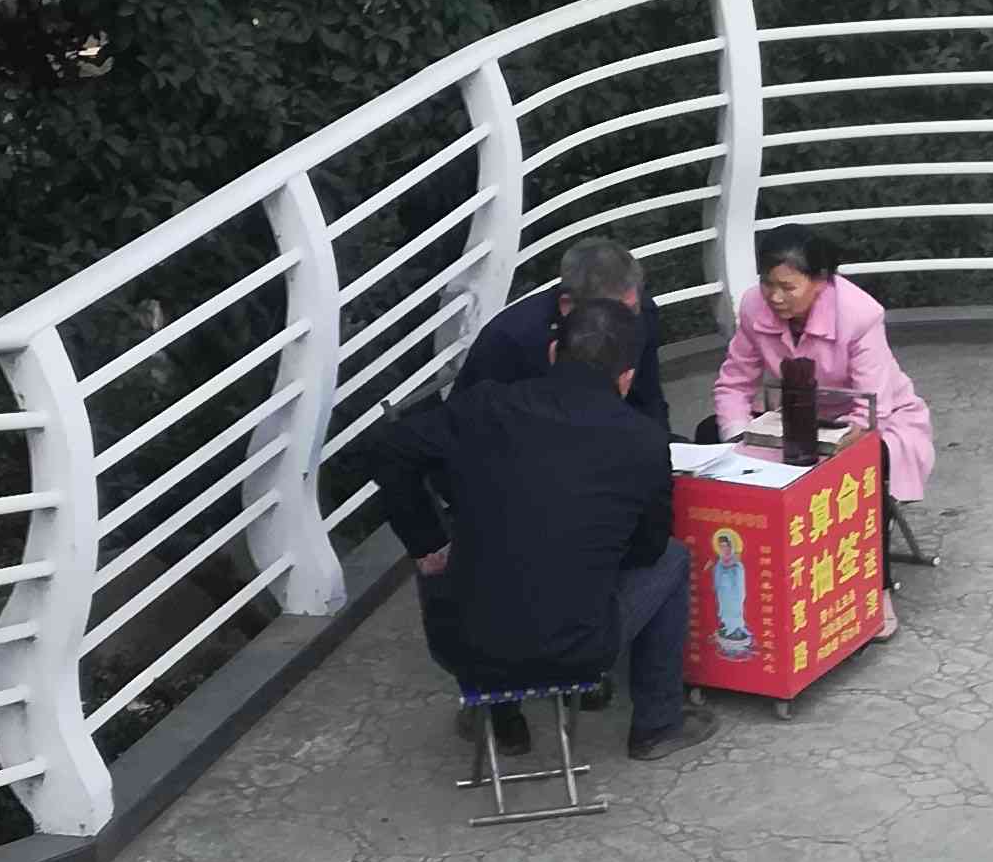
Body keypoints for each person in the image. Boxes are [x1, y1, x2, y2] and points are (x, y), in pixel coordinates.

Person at [371, 293, 709, 762]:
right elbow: (647, 549)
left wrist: (427, 542)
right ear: (627, 377)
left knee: (484, 556)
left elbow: (389, 448)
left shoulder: (485, 407)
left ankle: (503, 722)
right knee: (673, 557)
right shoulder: (644, 440)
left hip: (461, 646)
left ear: (553, 352)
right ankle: (658, 722)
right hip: (579, 650)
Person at [709, 227, 933, 635]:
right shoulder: (754, 307)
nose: (775, 297)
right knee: (711, 436)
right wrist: (736, 437)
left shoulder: (860, 314)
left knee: (864, 466)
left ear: (821, 281)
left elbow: (872, 404)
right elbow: (734, 383)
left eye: (787, 287)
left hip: (873, 420)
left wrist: (835, 446)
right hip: (795, 415)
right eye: (768, 284)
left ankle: (876, 588)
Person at [458, 231, 667, 429]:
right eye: (609, 312)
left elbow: (648, 400)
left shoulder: (643, 314)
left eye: (631, 309)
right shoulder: (509, 339)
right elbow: (470, 421)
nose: (624, 322)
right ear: (567, 305)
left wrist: (664, 446)